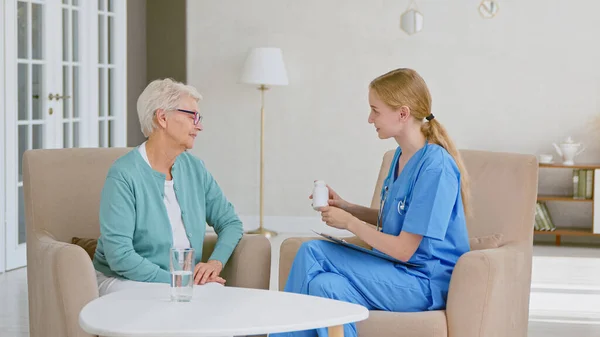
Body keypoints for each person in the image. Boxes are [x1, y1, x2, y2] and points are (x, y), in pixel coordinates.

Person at [272, 68, 471, 337]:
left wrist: (350, 223)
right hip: (396, 271)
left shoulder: (436, 166)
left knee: (312, 252)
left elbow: (403, 250)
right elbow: (395, 219)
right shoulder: (400, 158)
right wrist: (346, 207)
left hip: (423, 281)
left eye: (375, 110)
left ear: (402, 113)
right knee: (325, 285)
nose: (369, 119)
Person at [93, 78, 244, 296]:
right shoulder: (124, 174)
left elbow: (230, 222)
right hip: (123, 280)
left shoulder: (195, 168)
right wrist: (179, 281)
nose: (199, 126)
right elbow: (120, 256)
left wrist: (214, 264)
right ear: (162, 118)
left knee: (216, 302)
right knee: (172, 304)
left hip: (182, 281)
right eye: (192, 116)